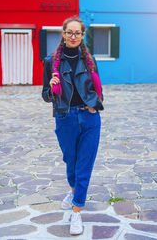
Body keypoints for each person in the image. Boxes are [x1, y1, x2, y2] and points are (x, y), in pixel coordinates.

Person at [42, 17, 103, 235]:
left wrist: (95, 105)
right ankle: (73, 190)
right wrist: (51, 88)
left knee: (84, 165)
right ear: (63, 34)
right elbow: (46, 96)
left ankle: (76, 211)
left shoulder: (90, 60)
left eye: (78, 33)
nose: (74, 36)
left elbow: (97, 89)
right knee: (71, 160)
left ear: (83, 35)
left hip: (89, 119)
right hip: (65, 117)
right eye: (70, 32)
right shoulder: (50, 62)